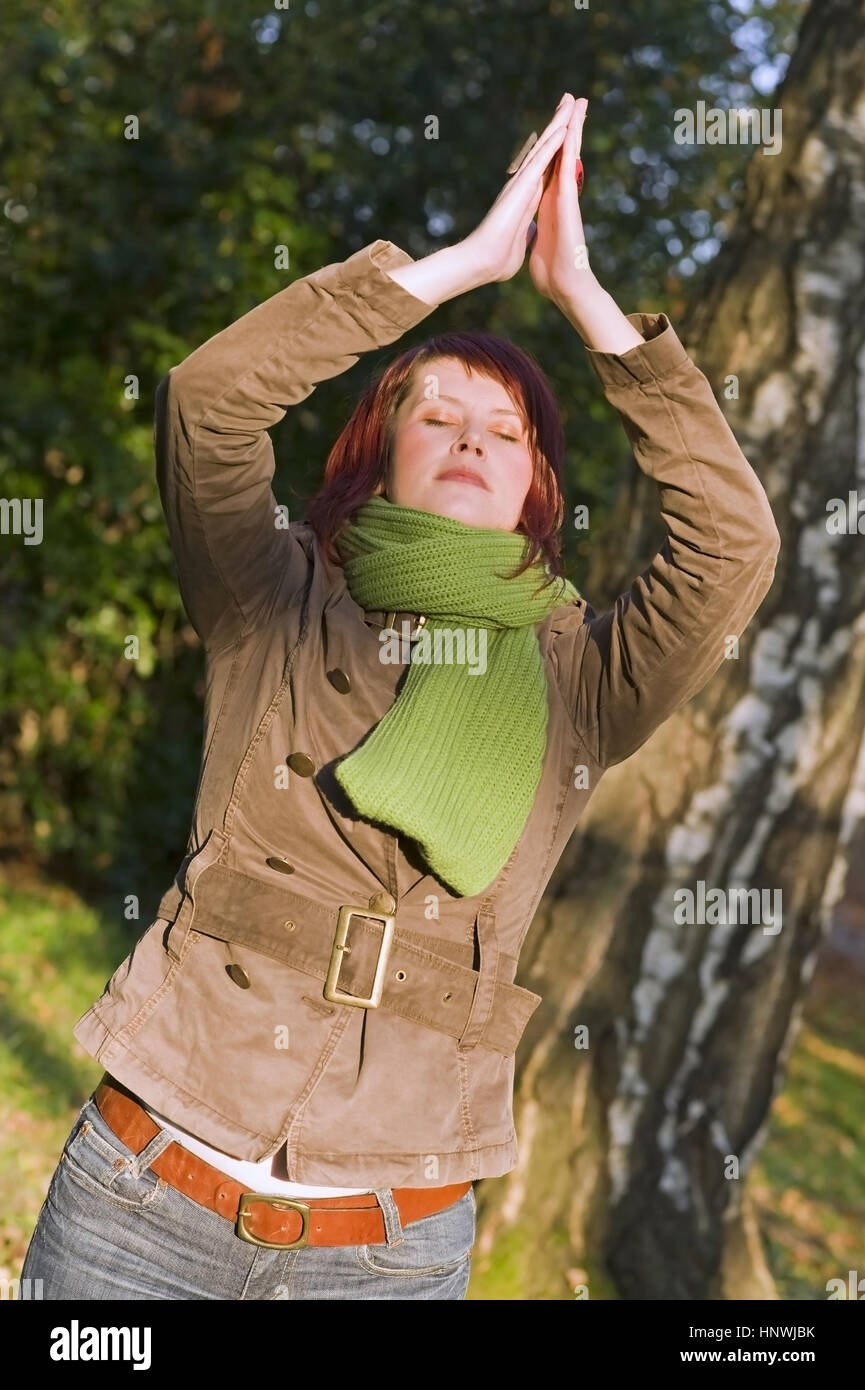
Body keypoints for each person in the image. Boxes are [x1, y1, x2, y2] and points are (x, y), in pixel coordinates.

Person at [21, 93, 780, 1301]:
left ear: (537, 485)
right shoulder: (272, 596)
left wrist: (588, 304)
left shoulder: (584, 675)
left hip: (390, 1245)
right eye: (438, 411)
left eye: (510, 431)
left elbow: (732, 549)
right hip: (144, 1201)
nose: (475, 436)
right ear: (379, 448)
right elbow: (208, 404)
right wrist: (459, 270)